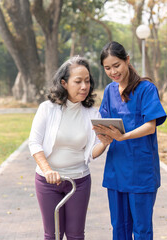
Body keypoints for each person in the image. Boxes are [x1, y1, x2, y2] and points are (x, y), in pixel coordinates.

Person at [28, 56, 112, 240]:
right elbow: (34, 142)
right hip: (48, 182)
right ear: (64, 83)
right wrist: (47, 170)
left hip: (79, 181)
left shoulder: (92, 113)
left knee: (75, 235)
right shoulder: (47, 109)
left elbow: (90, 153)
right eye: (78, 81)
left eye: (87, 81)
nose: (84, 86)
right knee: (53, 235)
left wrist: (105, 143)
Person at [93, 41, 167, 240]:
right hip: (116, 169)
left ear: (127, 60)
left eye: (116, 65)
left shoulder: (146, 89)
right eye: (107, 68)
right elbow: (104, 120)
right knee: (119, 227)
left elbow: (150, 125)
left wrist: (123, 136)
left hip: (141, 172)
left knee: (142, 230)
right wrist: (102, 133)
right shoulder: (109, 91)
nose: (113, 72)